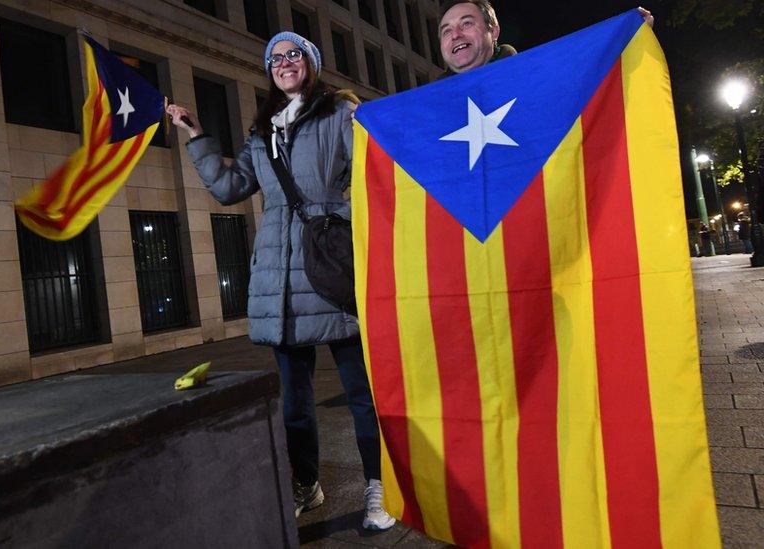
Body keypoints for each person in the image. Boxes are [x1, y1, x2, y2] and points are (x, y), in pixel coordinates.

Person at [165, 32, 395, 531]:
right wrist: (196, 136)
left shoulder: (340, 113)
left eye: (294, 55)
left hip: (333, 267)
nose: (284, 63)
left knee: (361, 392)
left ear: (311, 64)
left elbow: (375, 174)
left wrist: (341, 216)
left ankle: (379, 488)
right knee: (294, 400)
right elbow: (228, 189)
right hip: (280, 281)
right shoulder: (261, 133)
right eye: (275, 59)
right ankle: (306, 485)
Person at [435, 0, 654, 78]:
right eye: (446, 30)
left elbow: (589, 77)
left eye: (467, 23)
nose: (455, 35)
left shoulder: (537, 78)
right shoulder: (426, 110)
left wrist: (626, 38)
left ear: (493, 32)